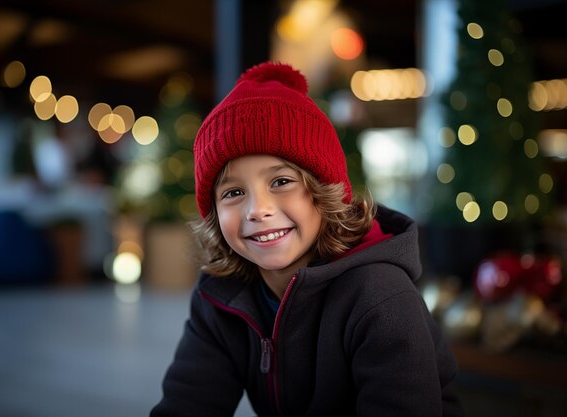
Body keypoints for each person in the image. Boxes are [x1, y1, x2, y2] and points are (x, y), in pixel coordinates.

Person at [151, 62, 464, 417]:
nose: (258, 209)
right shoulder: (221, 297)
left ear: (324, 191)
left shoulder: (381, 297)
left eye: (281, 182)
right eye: (234, 192)